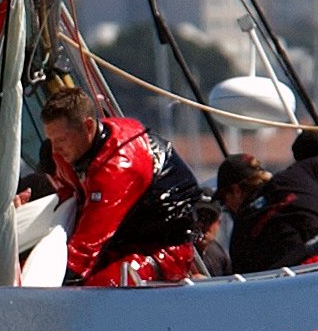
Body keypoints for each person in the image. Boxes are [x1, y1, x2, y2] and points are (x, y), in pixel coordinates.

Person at [37, 86, 201, 286]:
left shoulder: (118, 166)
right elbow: (67, 202)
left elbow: (85, 249)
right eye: (51, 140)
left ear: (88, 127)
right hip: (117, 243)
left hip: (162, 250)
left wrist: (43, 285)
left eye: (61, 140)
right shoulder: (66, 153)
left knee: (100, 286)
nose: (55, 149)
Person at [215, 145, 318, 275]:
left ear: (236, 190)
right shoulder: (299, 173)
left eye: (224, 200)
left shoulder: (240, 230)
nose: (226, 207)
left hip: (299, 281)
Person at [193, 196, 229, 277]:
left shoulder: (220, 256)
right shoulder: (180, 254)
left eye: (210, 219)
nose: (202, 225)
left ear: (218, 223)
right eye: (199, 217)